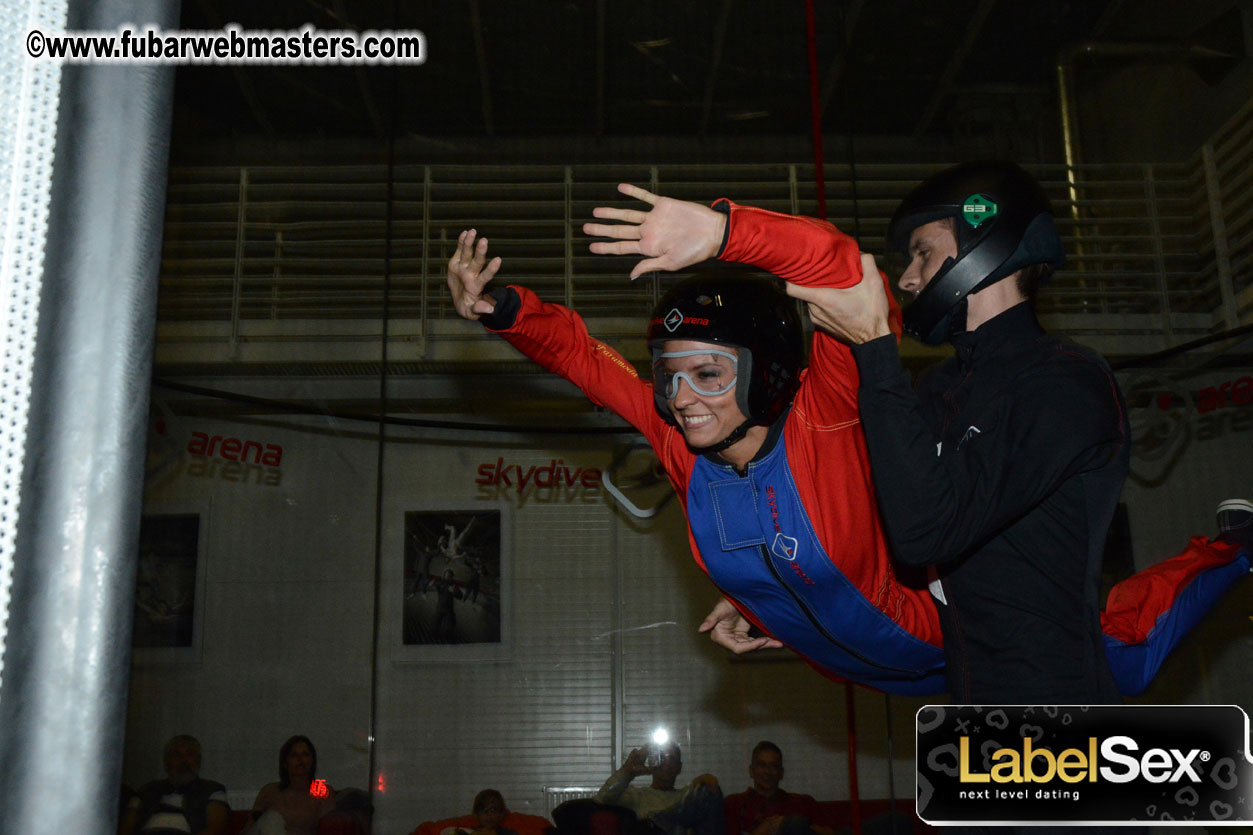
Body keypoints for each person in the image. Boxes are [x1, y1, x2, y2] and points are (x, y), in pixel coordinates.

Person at [447, 183, 1249, 698]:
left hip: (966, 640)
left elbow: (842, 272)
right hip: (909, 684)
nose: (681, 398)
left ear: (763, 372)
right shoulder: (676, 443)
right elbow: (583, 359)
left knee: (1125, 648)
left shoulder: (824, 413)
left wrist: (724, 231)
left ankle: (1232, 547)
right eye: (670, 375)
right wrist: (503, 309)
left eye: (709, 373)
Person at [795, 161, 1251, 702]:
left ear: (983, 238)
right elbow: (878, 529)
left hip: (1060, 712)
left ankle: (1235, 549)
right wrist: (785, 603)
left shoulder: (1065, 382)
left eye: (922, 252)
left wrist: (875, 348)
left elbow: (925, 531)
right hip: (972, 711)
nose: (908, 279)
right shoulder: (939, 388)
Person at [595, 743, 724, 835]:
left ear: (679, 768)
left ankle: (657, 822)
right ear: (653, 763)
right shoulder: (638, 795)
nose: (667, 764)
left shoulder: (687, 796)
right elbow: (603, 797)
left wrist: (704, 782)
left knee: (708, 790)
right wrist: (628, 771)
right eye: (662, 758)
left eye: (672, 759)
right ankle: (656, 824)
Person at [120, 734, 229, 835]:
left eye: (190, 755)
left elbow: (215, 828)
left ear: (198, 761)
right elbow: (126, 827)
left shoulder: (213, 790)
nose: (184, 761)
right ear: (166, 763)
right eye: (177, 755)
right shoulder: (146, 790)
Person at [723, 742, 830, 835]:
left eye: (773, 766)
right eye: (761, 765)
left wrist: (788, 824)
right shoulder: (734, 803)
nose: (767, 771)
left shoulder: (803, 802)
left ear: (781, 773)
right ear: (751, 771)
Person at [246, 735, 335, 835]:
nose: (300, 760)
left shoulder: (322, 791)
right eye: (293, 755)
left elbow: (330, 826)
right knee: (272, 819)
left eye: (305, 755)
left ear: (312, 761)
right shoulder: (269, 791)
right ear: (285, 763)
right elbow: (250, 826)